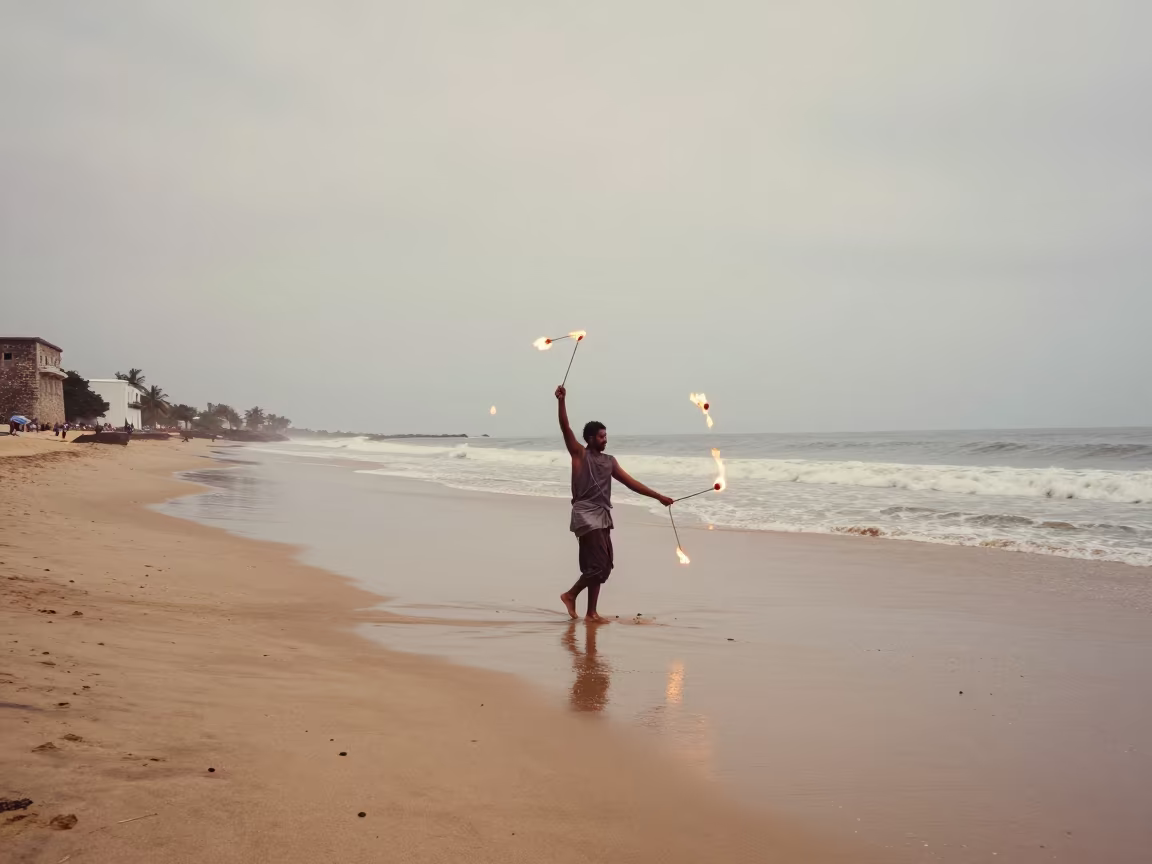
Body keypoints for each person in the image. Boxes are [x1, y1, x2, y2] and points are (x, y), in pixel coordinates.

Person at [555, 384, 673, 621]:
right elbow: (565, 427)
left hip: (602, 514)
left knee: (603, 565)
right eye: (601, 436)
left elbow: (631, 483)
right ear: (590, 438)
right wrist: (561, 401)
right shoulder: (579, 454)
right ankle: (570, 595)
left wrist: (658, 496)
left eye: (606, 436)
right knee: (598, 565)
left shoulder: (609, 461)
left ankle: (591, 613)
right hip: (585, 514)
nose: (605, 440)